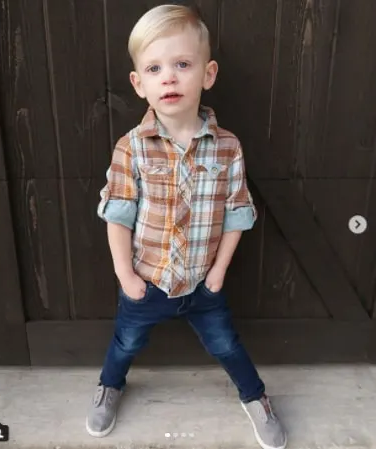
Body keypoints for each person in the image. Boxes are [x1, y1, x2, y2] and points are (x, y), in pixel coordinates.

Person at [86, 4, 287, 449]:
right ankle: (109, 387)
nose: (170, 78)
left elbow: (237, 213)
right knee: (125, 344)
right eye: (155, 68)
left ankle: (255, 397)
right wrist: (126, 278)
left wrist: (217, 275)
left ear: (207, 73)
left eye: (182, 64)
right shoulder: (132, 148)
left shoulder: (227, 147)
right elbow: (117, 215)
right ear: (139, 83)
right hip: (147, 280)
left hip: (202, 284)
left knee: (227, 346)